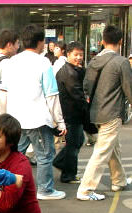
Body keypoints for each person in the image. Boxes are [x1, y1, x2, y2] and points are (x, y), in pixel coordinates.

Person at [0, 25, 67, 200]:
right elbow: (52, 96)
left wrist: (4, 118)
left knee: (15, 155)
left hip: (14, 119)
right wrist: (60, 122)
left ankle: (9, 186)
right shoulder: (43, 62)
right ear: (40, 42)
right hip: (37, 119)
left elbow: (3, 93)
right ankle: (45, 189)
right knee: (45, 155)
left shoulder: (11, 62)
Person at [77, 25, 132, 201]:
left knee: (112, 147)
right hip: (113, 111)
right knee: (101, 151)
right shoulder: (121, 62)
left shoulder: (94, 62)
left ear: (102, 41)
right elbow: (129, 88)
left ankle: (119, 180)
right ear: (120, 41)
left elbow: (86, 86)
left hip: (96, 111)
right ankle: (85, 189)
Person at [53, 41, 87, 184]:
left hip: (73, 114)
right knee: (73, 145)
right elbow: (77, 96)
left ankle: (60, 162)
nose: (79, 57)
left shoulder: (73, 69)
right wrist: (87, 110)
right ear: (68, 55)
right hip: (70, 114)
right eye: (76, 55)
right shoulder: (69, 72)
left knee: (78, 141)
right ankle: (68, 175)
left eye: (81, 55)